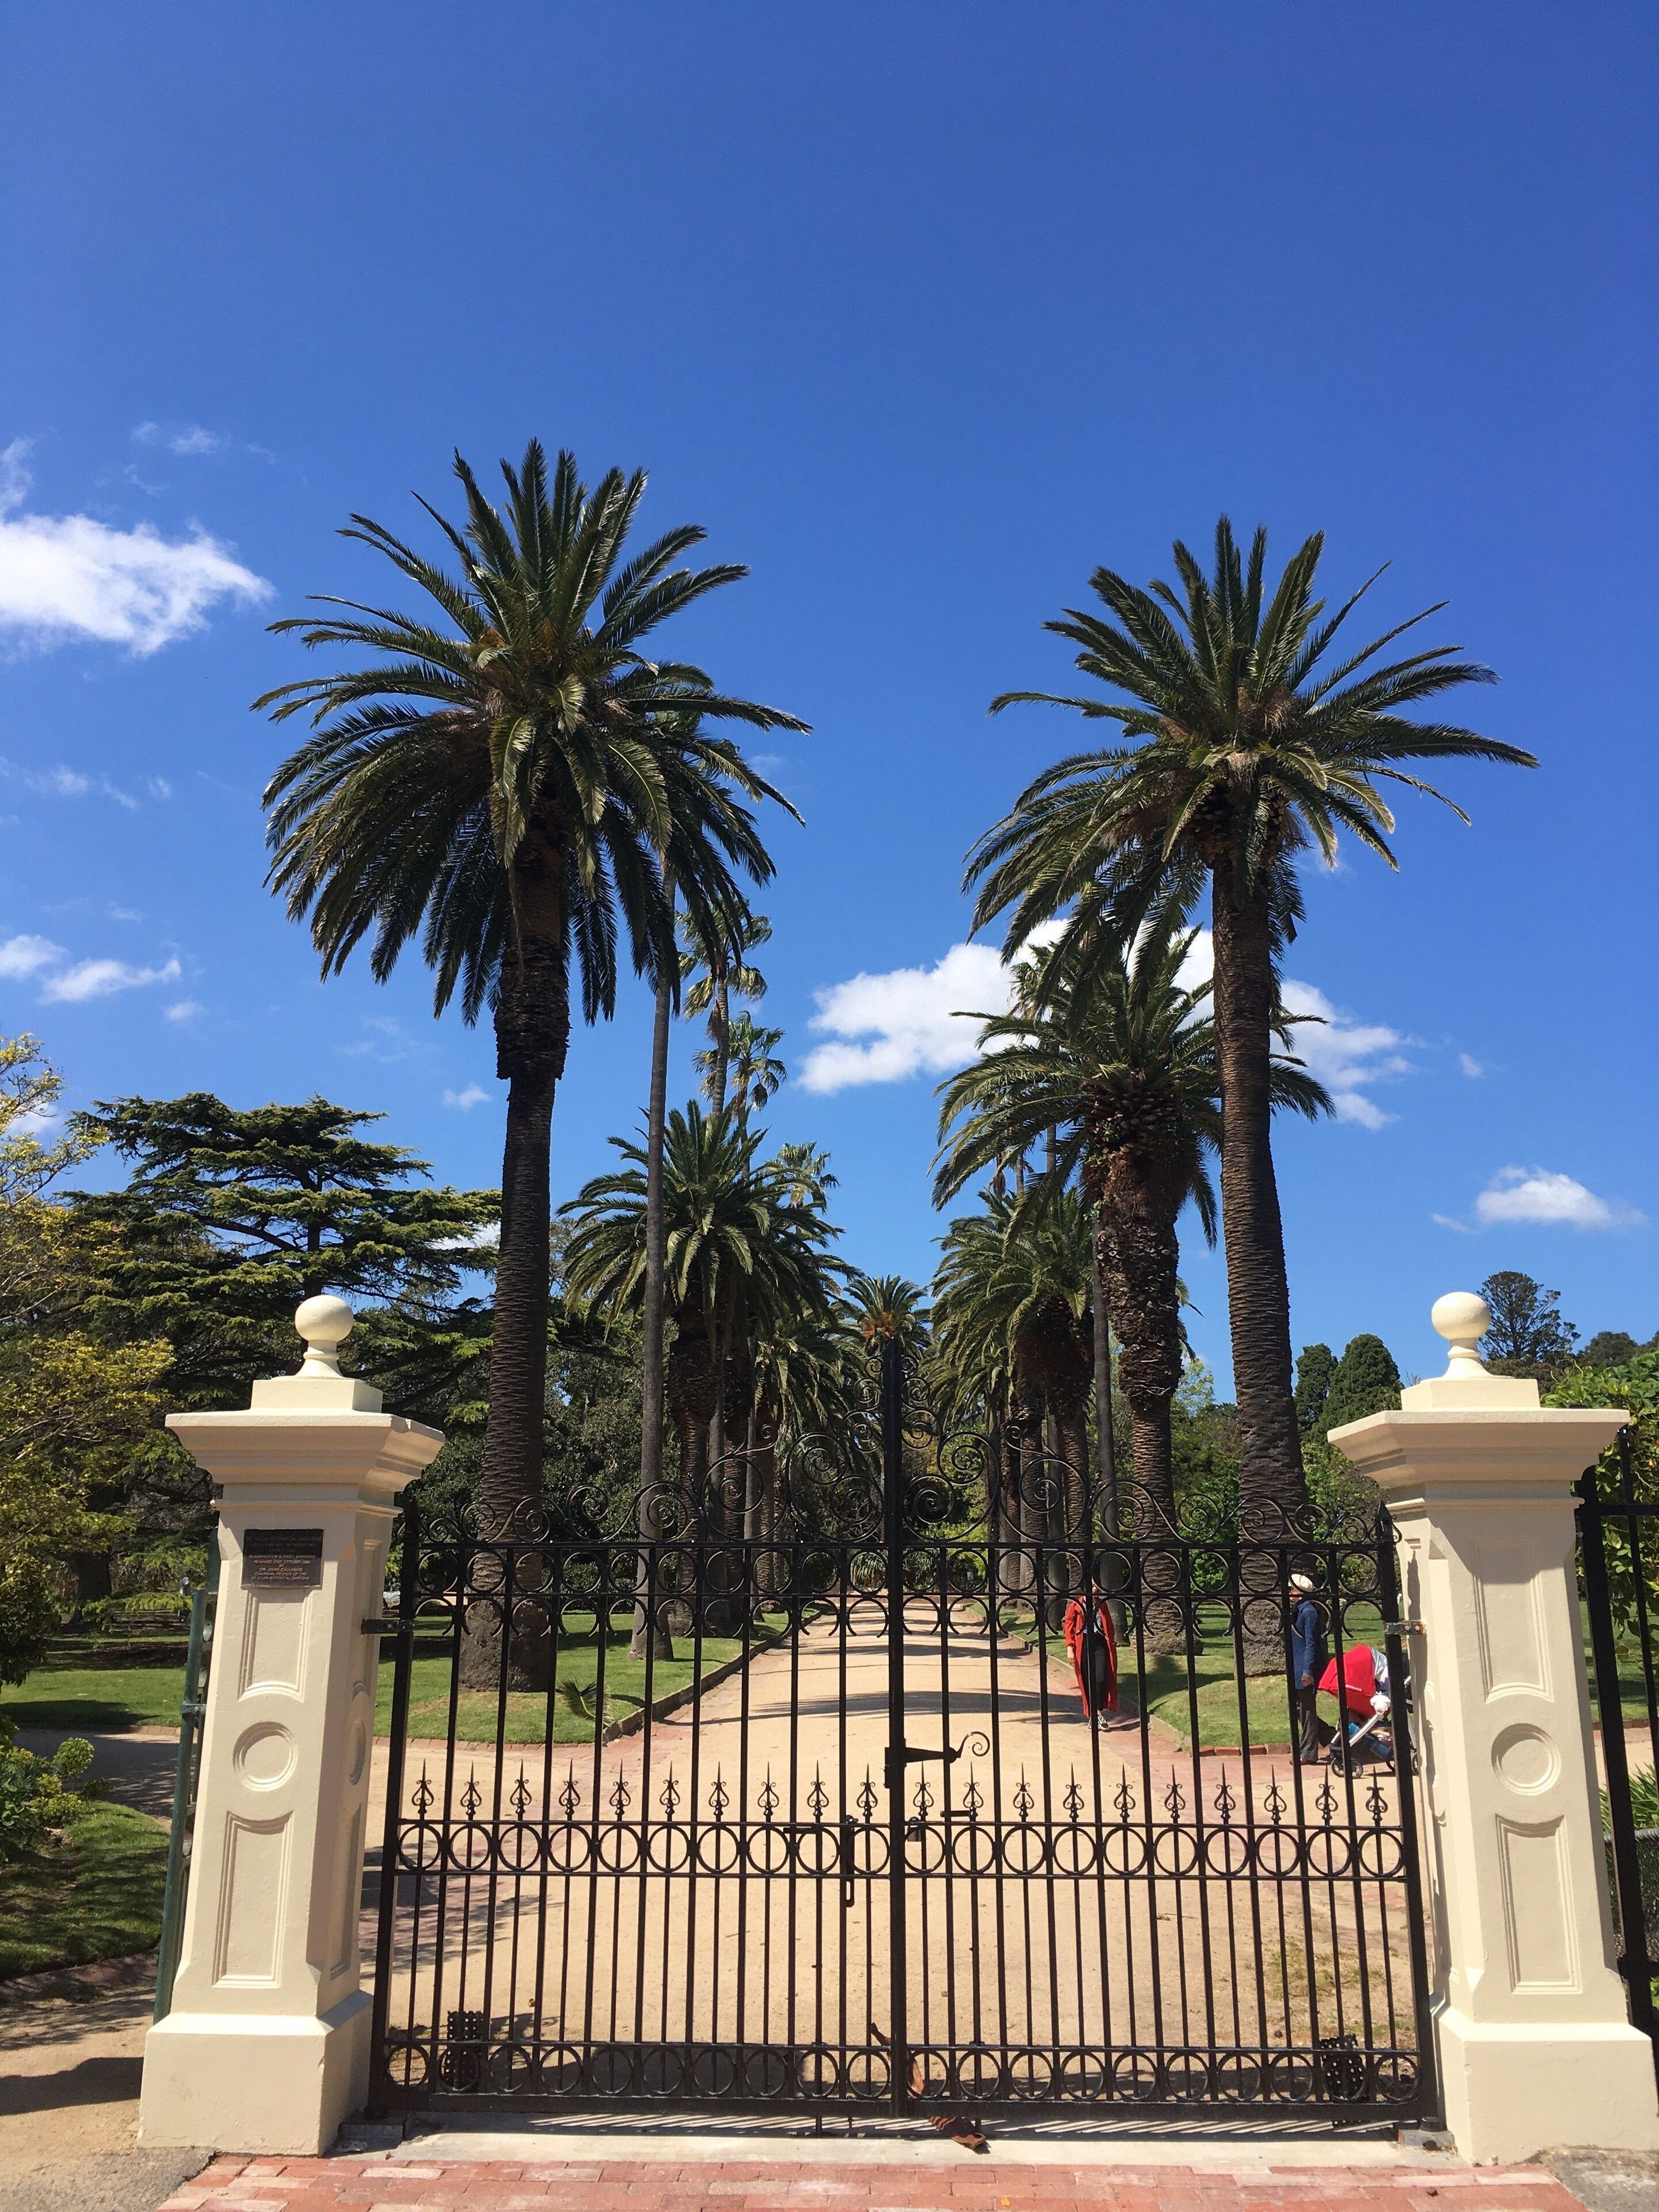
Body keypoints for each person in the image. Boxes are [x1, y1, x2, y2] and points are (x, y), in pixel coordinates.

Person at [1288, 1573, 1332, 1763]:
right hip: (1296, 1667)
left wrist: (1308, 1671)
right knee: (1298, 1709)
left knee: (1306, 1710)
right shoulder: (1298, 1610)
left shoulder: (1309, 1612)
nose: (1289, 1593)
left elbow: (1312, 1643)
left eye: (1291, 1589)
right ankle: (1332, 1737)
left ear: (1300, 1591)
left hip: (1305, 1668)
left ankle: (1308, 1753)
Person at [1063, 1576, 1118, 1724]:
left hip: (1100, 1644)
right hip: (1084, 1644)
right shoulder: (1076, 1605)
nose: (1094, 1589)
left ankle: (1100, 1712)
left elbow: (1109, 1625)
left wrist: (1111, 1641)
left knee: (1101, 1679)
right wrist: (1070, 1647)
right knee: (1088, 1680)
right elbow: (1069, 1625)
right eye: (1092, 1586)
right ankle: (1093, 1716)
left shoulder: (1101, 1603)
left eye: (1096, 1586)